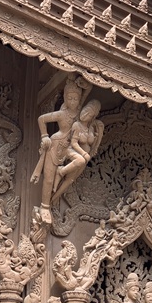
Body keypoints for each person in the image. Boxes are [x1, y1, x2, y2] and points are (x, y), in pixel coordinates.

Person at [30, 76, 91, 223]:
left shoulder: (79, 112)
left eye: (75, 99)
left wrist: (83, 84)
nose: (73, 102)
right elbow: (41, 119)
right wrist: (44, 136)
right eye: (69, 98)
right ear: (65, 98)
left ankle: (61, 174)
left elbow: (88, 90)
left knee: (80, 162)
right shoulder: (61, 114)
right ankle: (45, 207)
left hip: (70, 147)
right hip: (55, 146)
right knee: (48, 179)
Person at [51, 99, 104, 205]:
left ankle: (54, 198)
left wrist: (96, 141)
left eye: (89, 114)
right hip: (72, 152)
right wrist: (84, 154)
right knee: (79, 162)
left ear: (92, 117)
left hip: (85, 158)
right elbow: (74, 143)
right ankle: (60, 171)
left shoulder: (91, 128)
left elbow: (92, 144)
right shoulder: (76, 125)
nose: (85, 114)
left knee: (70, 180)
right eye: (86, 110)